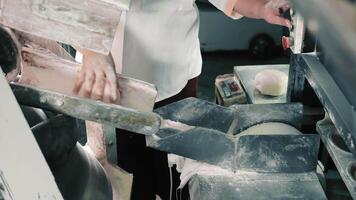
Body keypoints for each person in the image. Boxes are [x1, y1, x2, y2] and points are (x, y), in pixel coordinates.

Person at [74, 0, 292, 199]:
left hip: (175, 76)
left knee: (175, 177)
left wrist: (262, 7)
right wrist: (92, 47)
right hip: (107, 80)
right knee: (122, 182)